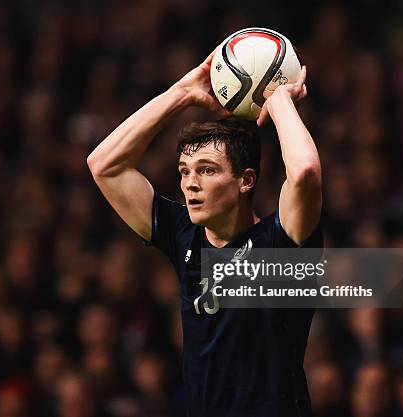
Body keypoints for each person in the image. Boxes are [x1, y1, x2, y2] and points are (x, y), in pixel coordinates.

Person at [87, 49, 323, 416]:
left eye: (207, 170)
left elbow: (306, 170)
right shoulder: (183, 234)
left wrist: (278, 102)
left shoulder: (283, 240)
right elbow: (104, 165)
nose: (190, 184)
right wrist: (180, 94)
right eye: (184, 171)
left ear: (246, 181)